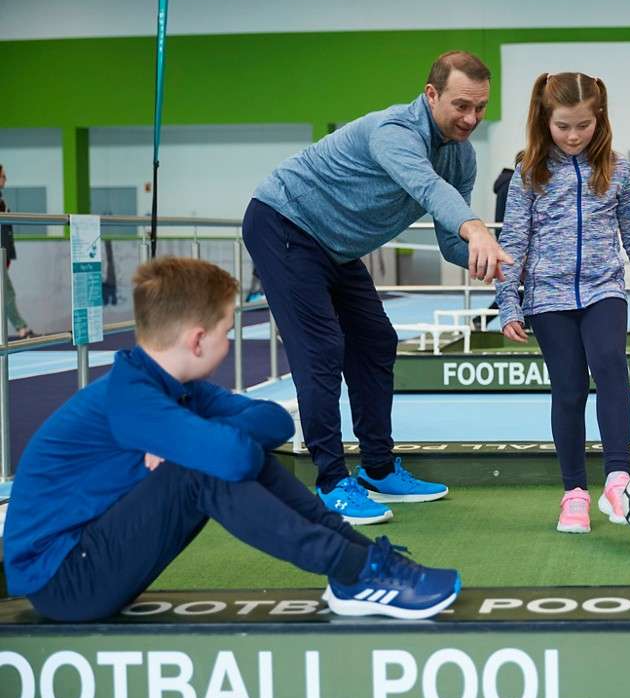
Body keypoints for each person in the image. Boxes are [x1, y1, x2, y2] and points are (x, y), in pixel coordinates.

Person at [2, 257, 459, 622]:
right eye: (226, 332)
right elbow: (233, 456)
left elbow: (275, 421)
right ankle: (354, 569)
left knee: (221, 455)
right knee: (202, 469)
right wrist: (201, 445)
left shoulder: (180, 389)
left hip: (92, 554)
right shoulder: (132, 399)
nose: (229, 342)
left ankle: (358, 562)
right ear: (198, 340)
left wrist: (196, 439)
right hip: (64, 580)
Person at [242, 51, 511, 525]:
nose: (472, 118)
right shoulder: (393, 132)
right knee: (322, 347)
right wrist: (478, 229)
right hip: (285, 222)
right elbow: (428, 190)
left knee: (375, 342)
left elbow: (453, 240)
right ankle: (330, 481)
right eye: (462, 105)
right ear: (431, 95)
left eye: (481, 107)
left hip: (335, 247)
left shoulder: (461, 156)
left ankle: (379, 469)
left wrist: (493, 253)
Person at [496, 72, 630, 533]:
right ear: (544, 120)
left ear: (600, 119)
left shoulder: (619, 170)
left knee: (610, 364)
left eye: (583, 126)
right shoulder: (530, 172)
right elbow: (515, 240)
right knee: (568, 387)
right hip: (548, 297)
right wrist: (508, 300)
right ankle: (574, 493)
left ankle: (617, 479)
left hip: (603, 288)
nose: (573, 136)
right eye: (563, 126)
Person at [478, 165, 516, 329]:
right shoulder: (511, 185)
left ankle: (481, 320)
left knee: (517, 288)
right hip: (511, 244)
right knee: (515, 287)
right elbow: (506, 220)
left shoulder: (507, 185)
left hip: (507, 242)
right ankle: (481, 320)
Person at [0, 164, 35, 340]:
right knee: (7, 293)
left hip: (3, 253)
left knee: (6, 292)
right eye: (3, 176)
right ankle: (22, 328)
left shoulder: (2, 200)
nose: (5, 179)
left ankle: (22, 328)